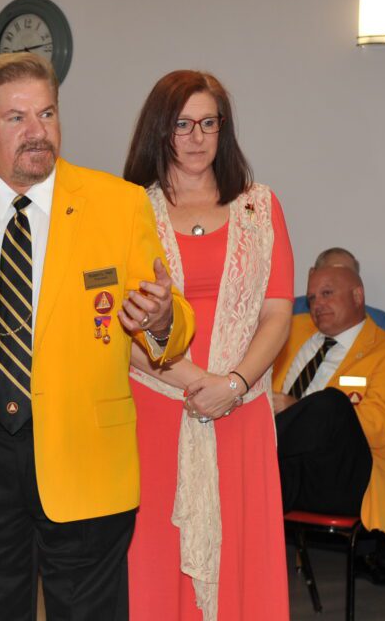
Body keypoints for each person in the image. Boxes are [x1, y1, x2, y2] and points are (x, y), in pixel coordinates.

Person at [0, 53, 195, 621]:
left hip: (85, 451)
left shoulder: (118, 202)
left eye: (47, 113)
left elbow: (174, 317)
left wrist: (161, 320)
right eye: (16, 118)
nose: (37, 131)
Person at [122, 70, 293, 620]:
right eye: (182, 124)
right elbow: (120, 325)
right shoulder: (128, 209)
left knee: (244, 562)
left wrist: (234, 385)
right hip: (157, 410)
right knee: (156, 563)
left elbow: (277, 314)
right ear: (159, 130)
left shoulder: (259, 208)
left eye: (209, 123)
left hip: (241, 414)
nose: (197, 137)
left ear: (224, 129)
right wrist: (201, 385)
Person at [272, 263, 385, 585]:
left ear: (358, 295)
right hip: (286, 471)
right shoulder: (293, 330)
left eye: (327, 293)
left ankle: (253, 447)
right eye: (312, 297)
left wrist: (297, 410)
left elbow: (380, 427)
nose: (317, 304)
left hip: (343, 478)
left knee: (331, 403)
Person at [291, 247, 385, 332]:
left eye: (346, 275)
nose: (338, 280)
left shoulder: (378, 322)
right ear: (312, 274)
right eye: (330, 273)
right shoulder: (289, 311)